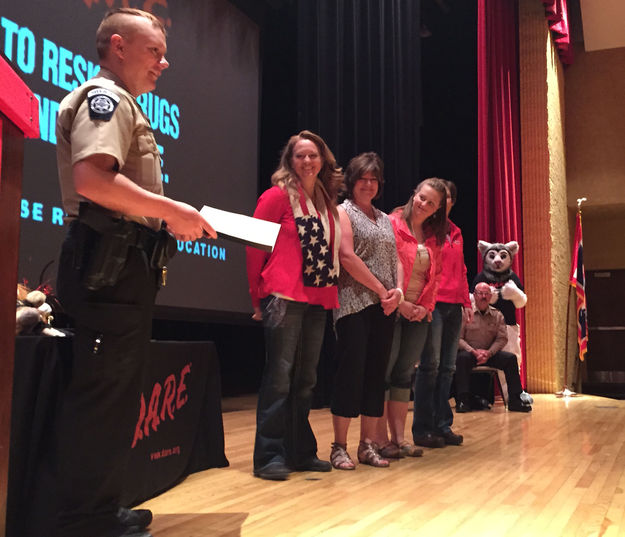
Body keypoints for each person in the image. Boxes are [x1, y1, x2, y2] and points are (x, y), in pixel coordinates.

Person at [53, 8, 216, 537]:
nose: (164, 63)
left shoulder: (126, 103)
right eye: (155, 51)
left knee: (117, 393)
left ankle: (102, 506)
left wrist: (169, 221)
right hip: (108, 265)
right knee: (102, 396)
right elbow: (93, 182)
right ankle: (87, 520)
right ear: (118, 46)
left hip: (123, 266)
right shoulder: (107, 99)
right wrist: (175, 212)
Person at [246, 130, 343, 481]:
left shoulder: (326, 202)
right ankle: (269, 456)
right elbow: (254, 247)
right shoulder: (276, 197)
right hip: (283, 296)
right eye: (299, 156)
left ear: (323, 160)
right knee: (279, 378)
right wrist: (256, 297)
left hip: (319, 298)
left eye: (313, 155)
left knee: (306, 380)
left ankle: (300, 451)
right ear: (289, 161)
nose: (307, 161)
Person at [330, 152, 402, 470]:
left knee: (376, 376)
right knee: (352, 373)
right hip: (353, 303)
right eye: (363, 178)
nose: (369, 184)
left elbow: (396, 258)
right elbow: (346, 256)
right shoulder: (341, 212)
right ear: (352, 181)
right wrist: (381, 289)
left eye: (374, 179)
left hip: (385, 306)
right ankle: (339, 447)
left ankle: (367, 445)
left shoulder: (385, 218)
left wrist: (397, 291)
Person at [377, 178, 447, 458]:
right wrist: (402, 304)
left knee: (404, 375)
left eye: (431, 203)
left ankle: (400, 439)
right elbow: (383, 266)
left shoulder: (432, 235)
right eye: (421, 197)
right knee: (384, 373)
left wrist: (426, 308)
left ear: (437, 209)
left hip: (418, 313)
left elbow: (436, 276)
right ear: (413, 194)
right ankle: (380, 439)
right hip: (392, 308)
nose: (423, 204)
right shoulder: (391, 223)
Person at [411, 180, 472, 448]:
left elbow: (462, 270)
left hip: (454, 307)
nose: (440, 203)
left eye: (446, 198)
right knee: (430, 367)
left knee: (448, 368)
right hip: (433, 304)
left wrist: (466, 302)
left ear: (451, 203)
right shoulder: (426, 230)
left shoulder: (457, 232)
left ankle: (442, 425)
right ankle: (423, 428)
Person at [454, 282, 532, 413]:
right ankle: (463, 400)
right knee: (461, 359)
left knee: (510, 359)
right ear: (474, 295)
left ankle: (515, 400)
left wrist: (489, 353)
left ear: (490, 297)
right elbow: (458, 339)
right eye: (480, 294)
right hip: (470, 354)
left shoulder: (498, 315)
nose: (483, 297)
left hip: (489, 354)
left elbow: (502, 338)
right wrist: (473, 351)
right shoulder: (465, 314)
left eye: (486, 294)